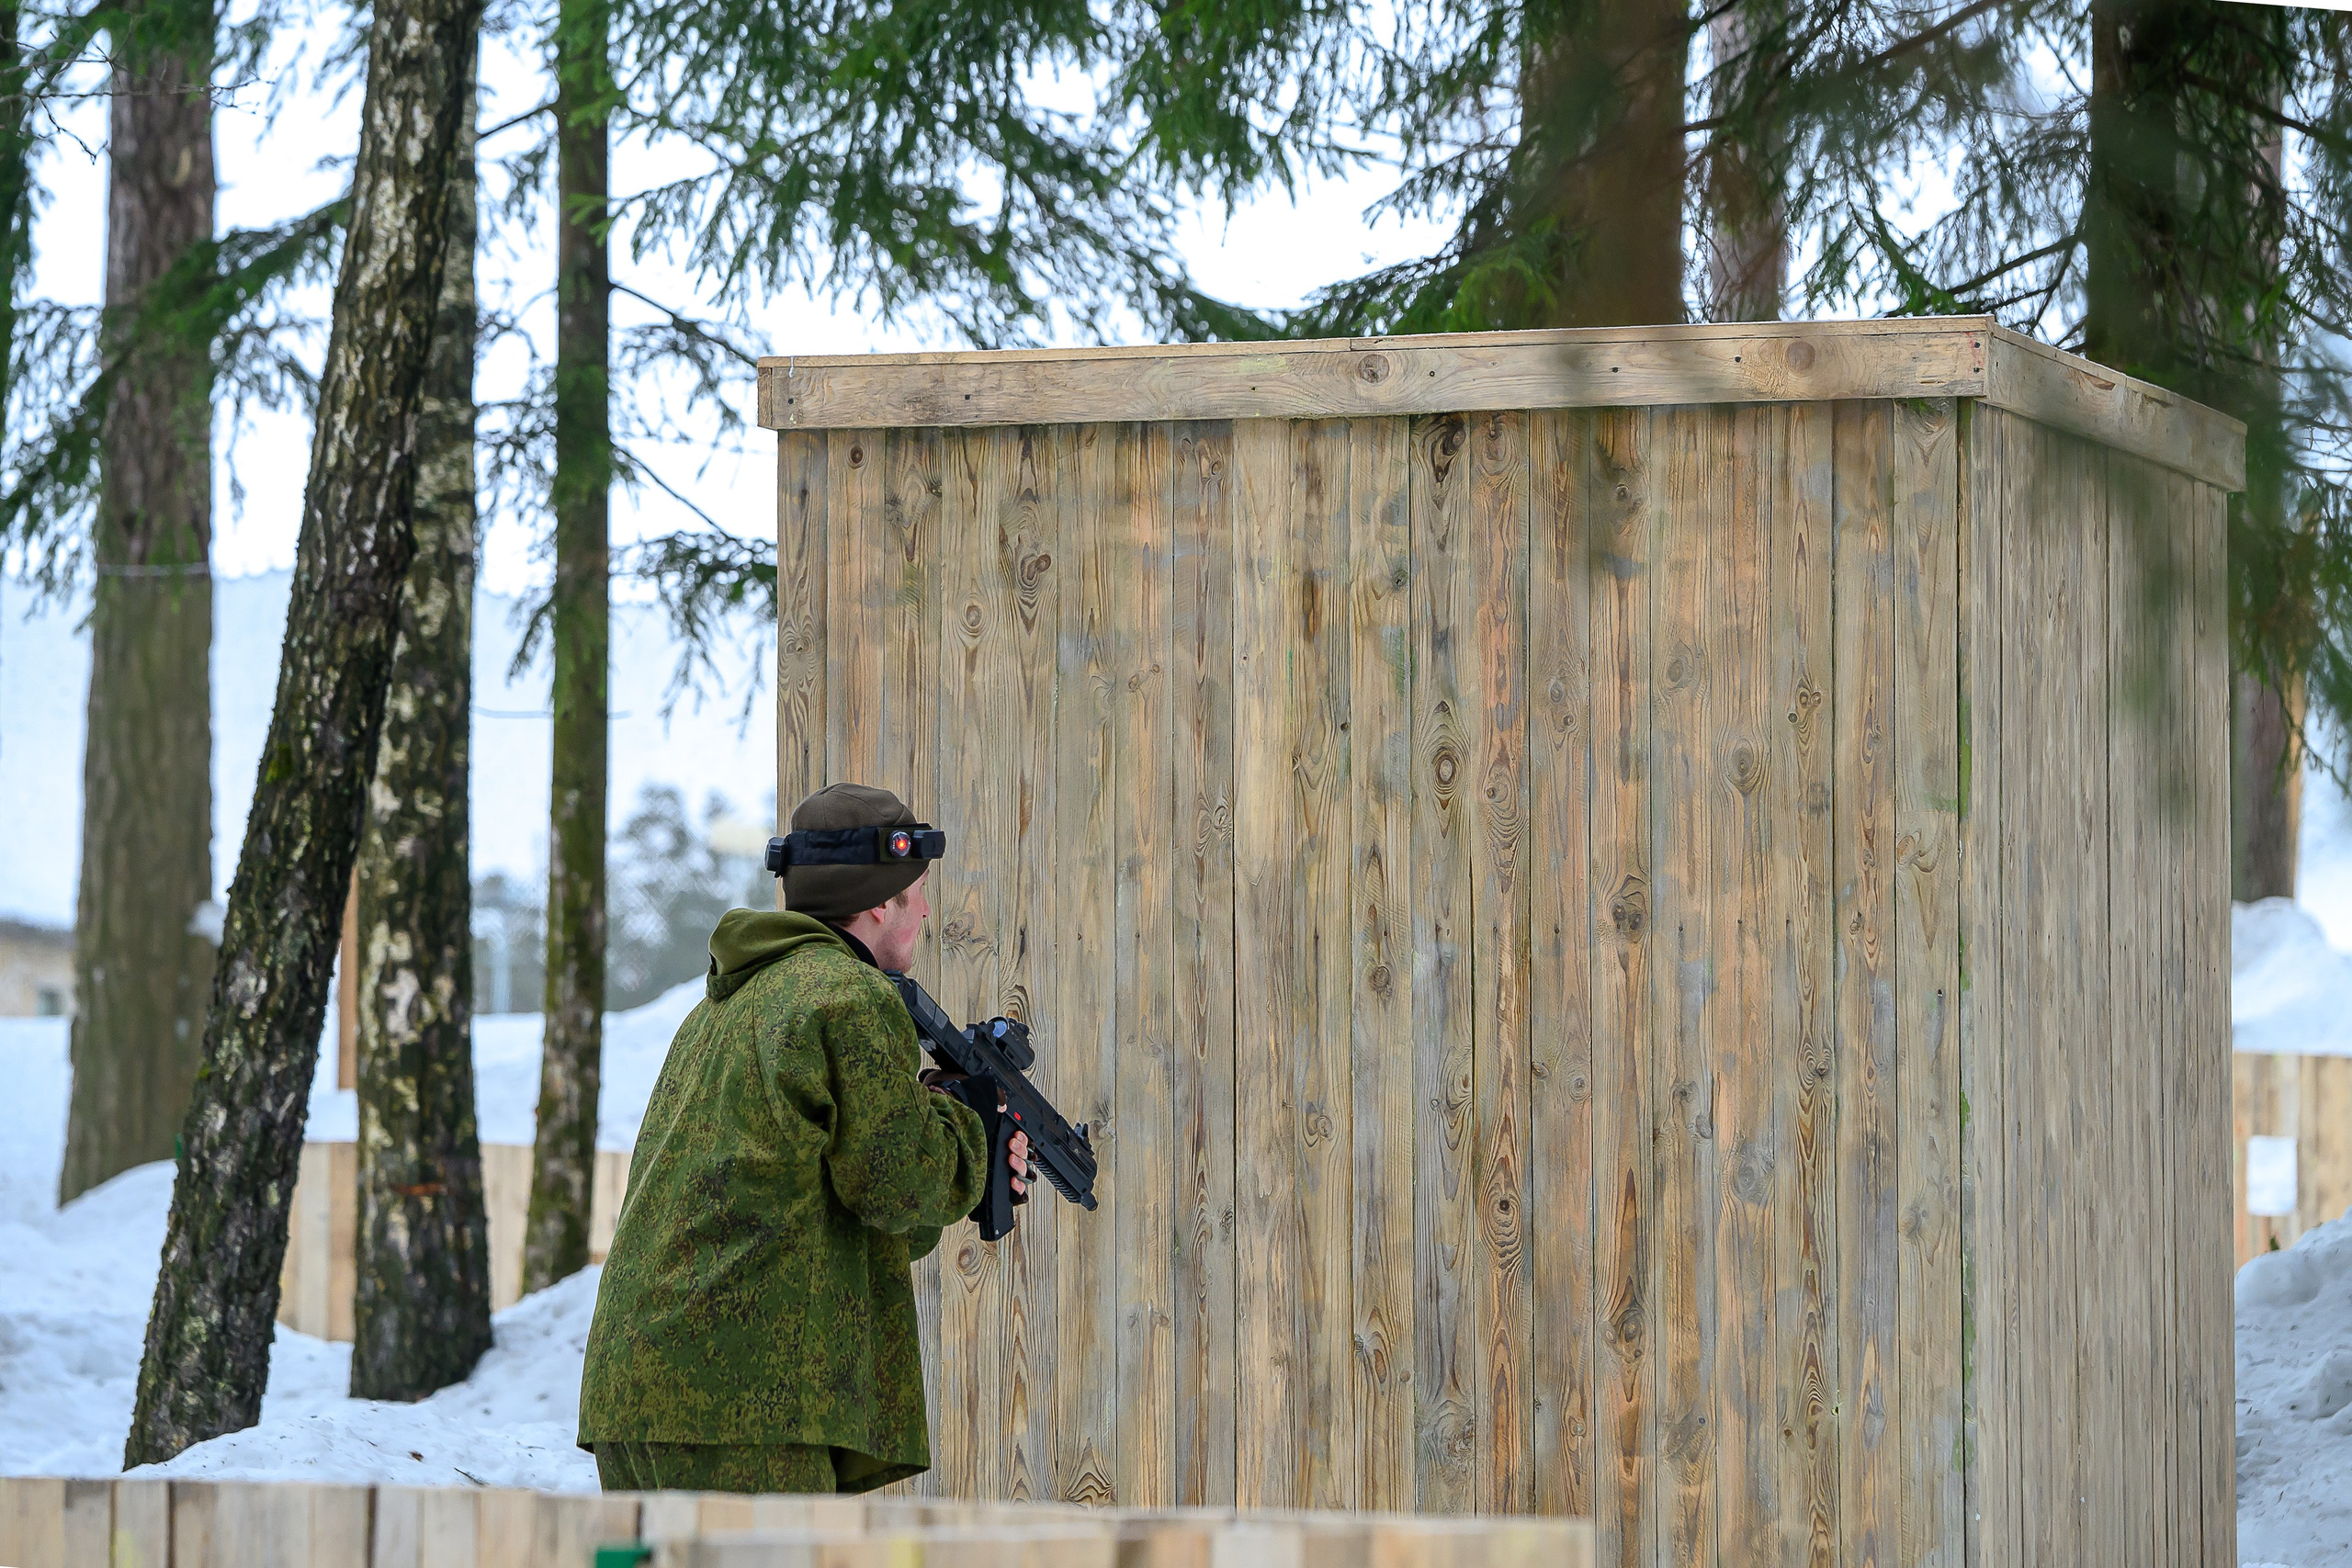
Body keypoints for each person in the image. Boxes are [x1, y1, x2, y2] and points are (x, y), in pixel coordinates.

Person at [577, 783, 1031, 1495]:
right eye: (917, 894)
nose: (925, 911)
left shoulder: (732, 1001)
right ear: (879, 903)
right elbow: (900, 1184)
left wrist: (944, 1125)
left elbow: (853, 1209)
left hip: (641, 1387)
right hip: (743, 1396)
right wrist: (969, 1126)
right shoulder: (850, 996)